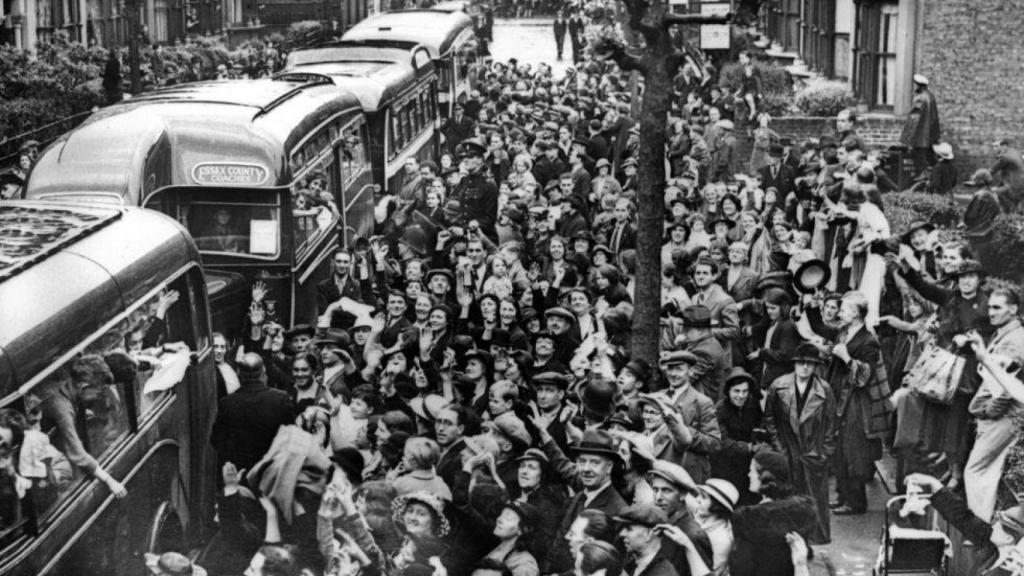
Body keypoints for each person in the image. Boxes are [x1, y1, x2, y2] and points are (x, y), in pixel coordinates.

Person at [826, 292, 891, 516]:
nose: (839, 312)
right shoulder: (844, 331)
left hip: (856, 402)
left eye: (843, 309)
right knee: (840, 449)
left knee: (853, 450)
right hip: (840, 397)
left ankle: (855, 502)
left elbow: (865, 377)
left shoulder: (868, 341)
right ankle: (843, 496)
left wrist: (846, 357)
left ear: (855, 313)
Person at [764, 343, 836, 543]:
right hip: (787, 447)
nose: (805, 367)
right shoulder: (778, 386)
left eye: (810, 364)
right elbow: (769, 420)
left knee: (814, 495)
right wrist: (779, 447)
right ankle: (787, 536)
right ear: (794, 364)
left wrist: (825, 452)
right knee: (788, 495)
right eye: (801, 363)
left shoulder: (825, 390)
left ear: (816, 367)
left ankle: (815, 535)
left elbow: (831, 422)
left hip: (814, 449)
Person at [210, 353, 294, 472]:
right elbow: (291, 437)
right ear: (263, 371)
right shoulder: (281, 399)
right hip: (271, 472)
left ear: (239, 373)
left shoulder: (227, 403)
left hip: (241, 472)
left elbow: (216, 440)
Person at [710, 368, 762, 507]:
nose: (741, 396)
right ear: (728, 392)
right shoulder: (719, 410)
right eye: (736, 391)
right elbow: (723, 442)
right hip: (726, 466)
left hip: (748, 466)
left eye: (745, 391)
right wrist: (749, 447)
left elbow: (759, 424)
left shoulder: (751, 404)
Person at [900, 74, 941, 178]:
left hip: (920, 139)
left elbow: (913, 120)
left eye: (915, 85)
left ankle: (922, 184)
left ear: (919, 86)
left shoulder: (920, 99)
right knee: (931, 161)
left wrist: (907, 139)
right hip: (930, 138)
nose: (914, 87)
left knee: (920, 164)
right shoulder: (930, 96)